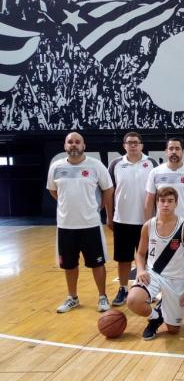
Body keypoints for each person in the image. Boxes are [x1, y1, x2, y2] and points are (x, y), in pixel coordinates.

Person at [47, 132, 114, 313]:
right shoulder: (56, 167)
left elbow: (108, 189)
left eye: (78, 142)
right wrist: (67, 204)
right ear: (65, 146)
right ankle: (73, 298)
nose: (74, 145)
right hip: (65, 225)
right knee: (69, 264)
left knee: (97, 263)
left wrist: (99, 207)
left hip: (90, 224)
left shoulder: (96, 166)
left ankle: (102, 297)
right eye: (70, 142)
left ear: (84, 146)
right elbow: (53, 190)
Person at [127, 187, 184, 340]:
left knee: (173, 330)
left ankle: (162, 307)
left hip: (176, 279)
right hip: (153, 274)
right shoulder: (148, 226)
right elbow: (140, 254)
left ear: (176, 203)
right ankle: (155, 317)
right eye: (162, 201)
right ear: (157, 203)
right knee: (132, 300)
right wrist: (140, 270)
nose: (166, 204)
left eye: (170, 201)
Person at [107, 132, 158, 306]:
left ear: (142, 145)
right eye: (129, 142)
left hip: (146, 221)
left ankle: (147, 289)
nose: (133, 145)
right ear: (124, 145)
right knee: (123, 258)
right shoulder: (115, 164)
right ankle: (123, 288)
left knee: (147, 259)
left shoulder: (151, 163)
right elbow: (109, 191)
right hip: (122, 220)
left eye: (136, 142)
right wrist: (109, 216)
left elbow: (157, 192)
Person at [144, 138, 184, 235]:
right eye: (171, 149)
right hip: (161, 226)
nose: (174, 151)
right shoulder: (155, 172)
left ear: (183, 152)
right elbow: (149, 201)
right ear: (166, 152)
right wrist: (147, 225)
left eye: (177, 148)